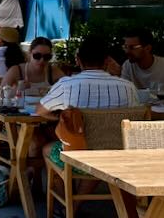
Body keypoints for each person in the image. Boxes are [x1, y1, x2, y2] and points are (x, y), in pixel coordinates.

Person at [36, 36, 141, 182]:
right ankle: (79, 200)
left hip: (78, 156)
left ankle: (68, 202)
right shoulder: (128, 87)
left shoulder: (67, 85)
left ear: (78, 60)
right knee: (97, 151)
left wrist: (60, 117)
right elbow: (135, 119)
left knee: (47, 150)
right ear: (107, 61)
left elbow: (40, 111)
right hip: (117, 157)